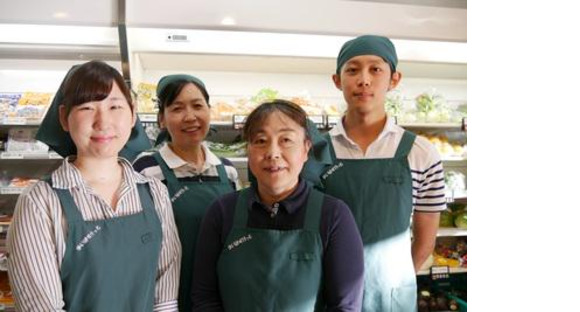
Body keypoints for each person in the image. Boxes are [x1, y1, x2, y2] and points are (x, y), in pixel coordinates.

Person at [7, 60, 181, 311]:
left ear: (133, 115)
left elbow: (164, 299)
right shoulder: (39, 202)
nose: (103, 121)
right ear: (64, 118)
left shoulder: (155, 193)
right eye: (87, 107)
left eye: (115, 106)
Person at [192, 99, 364, 311]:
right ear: (249, 150)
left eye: (286, 140)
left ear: (306, 149)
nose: (273, 153)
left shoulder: (333, 215)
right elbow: (204, 298)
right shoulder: (222, 212)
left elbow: (345, 306)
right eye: (261, 140)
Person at [319, 35, 446, 311]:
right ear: (337, 80)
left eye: (375, 69)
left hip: (392, 298)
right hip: (329, 293)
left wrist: (393, 279)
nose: (364, 79)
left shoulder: (421, 153)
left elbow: (425, 241)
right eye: (352, 70)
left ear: (394, 79)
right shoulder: (316, 153)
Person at [132, 74, 239, 312]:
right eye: (177, 108)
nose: (190, 116)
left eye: (198, 106)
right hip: (166, 296)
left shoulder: (227, 170)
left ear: (209, 111)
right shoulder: (147, 168)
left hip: (218, 294)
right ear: (162, 119)